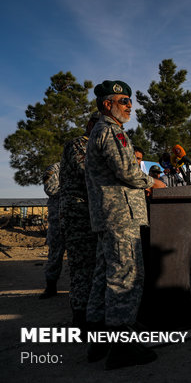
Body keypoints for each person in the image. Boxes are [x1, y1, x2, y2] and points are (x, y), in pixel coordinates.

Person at [85, 80, 165, 369]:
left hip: (108, 216)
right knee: (125, 277)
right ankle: (122, 348)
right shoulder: (111, 130)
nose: (129, 105)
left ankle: (97, 339)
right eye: (123, 100)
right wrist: (152, 181)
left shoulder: (99, 130)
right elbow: (128, 170)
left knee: (103, 275)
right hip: (121, 216)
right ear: (107, 104)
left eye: (130, 100)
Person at [58, 113, 100, 328]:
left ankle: (91, 314)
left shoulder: (96, 146)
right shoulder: (78, 144)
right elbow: (88, 172)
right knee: (82, 266)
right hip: (77, 215)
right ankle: (81, 317)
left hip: (91, 213)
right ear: (91, 124)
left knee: (93, 265)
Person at [39, 162, 64, 299]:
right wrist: (74, 189)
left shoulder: (85, 166)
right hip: (58, 221)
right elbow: (51, 189)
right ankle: (51, 286)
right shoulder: (55, 169)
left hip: (77, 220)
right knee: (55, 256)